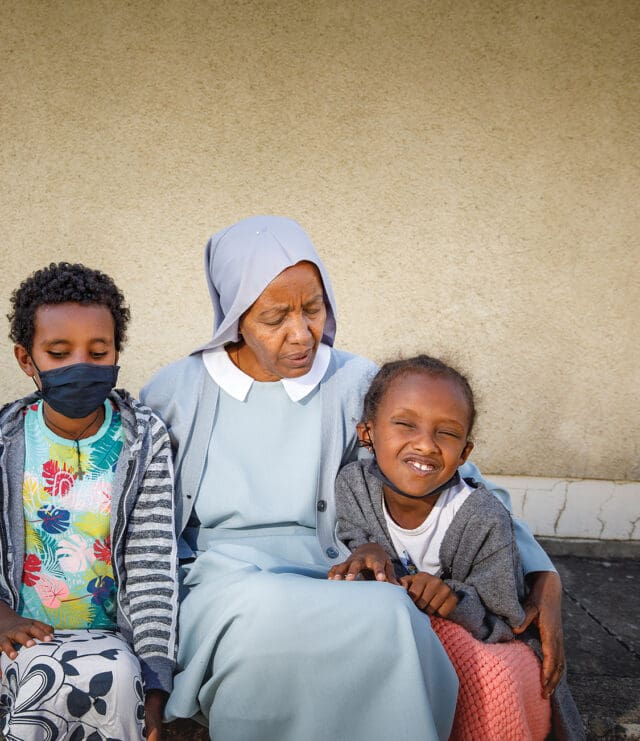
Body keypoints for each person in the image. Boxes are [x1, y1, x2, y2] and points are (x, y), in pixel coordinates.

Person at [137, 215, 567, 739]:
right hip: (221, 579)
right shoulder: (176, 391)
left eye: (313, 309)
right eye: (276, 317)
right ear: (235, 317)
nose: (302, 334)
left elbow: (462, 483)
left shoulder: (354, 381)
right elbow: (134, 511)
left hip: (338, 570)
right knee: (266, 617)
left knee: (389, 612)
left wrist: (543, 574)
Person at [0, 262, 177, 741]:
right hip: (7, 645)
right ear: (27, 360)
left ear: (116, 353)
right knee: (51, 672)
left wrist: (155, 678)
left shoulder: (144, 440)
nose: (80, 366)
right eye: (59, 352)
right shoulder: (2, 438)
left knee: (113, 677)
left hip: (115, 643)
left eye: (98, 350)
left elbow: (151, 564)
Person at [329, 355, 583, 740]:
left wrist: (453, 599)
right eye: (405, 424)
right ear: (367, 434)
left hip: (473, 637)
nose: (426, 445)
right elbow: (350, 535)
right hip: (397, 631)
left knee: (492, 682)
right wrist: (366, 549)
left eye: (446, 433)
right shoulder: (353, 485)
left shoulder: (482, 518)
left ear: (465, 453)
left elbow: (508, 618)